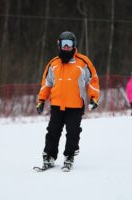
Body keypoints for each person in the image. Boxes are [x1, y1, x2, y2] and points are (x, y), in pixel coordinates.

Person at [36, 31, 100, 171]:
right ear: (59, 45)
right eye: (63, 44)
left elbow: (92, 81)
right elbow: (47, 83)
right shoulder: (53, 63)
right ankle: (49, 157)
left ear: (74, 45)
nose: (66, 47)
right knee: (53, 131)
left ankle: (69, 156)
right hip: (57, 105)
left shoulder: (83, 62)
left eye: (69, 44)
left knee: (73, 131)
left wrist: (93, 98)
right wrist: (41, 100)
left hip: (75, 105)